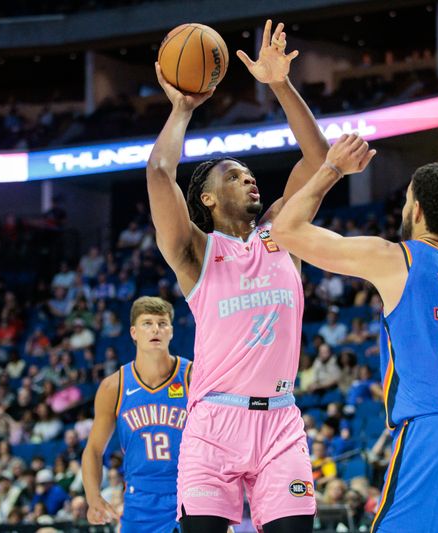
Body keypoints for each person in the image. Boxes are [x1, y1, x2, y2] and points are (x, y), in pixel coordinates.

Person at [272, 137, 438, 531]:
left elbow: (285, 231)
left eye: (408, 200)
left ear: (418, 210)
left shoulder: (396, 259)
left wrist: (332, 169)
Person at [146, 19, 327, 533]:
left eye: (250, 174)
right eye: (233, 175)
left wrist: (280, 84)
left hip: (280, 422)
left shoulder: (283, 232)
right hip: (213, 425)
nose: (249, 178)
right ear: (205, 197)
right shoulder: (196, 253)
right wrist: (182, 108)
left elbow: (318, 159)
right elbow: (160, 173)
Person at [82, 297, 190, 533]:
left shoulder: (193, 376)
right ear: (133, 332)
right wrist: (93, 497)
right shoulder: (115, 386)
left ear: (171, 331)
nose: (155, 329)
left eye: (162, 324)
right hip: (140, 500)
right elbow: (93, 449)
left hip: (191, 492)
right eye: (147, 323)